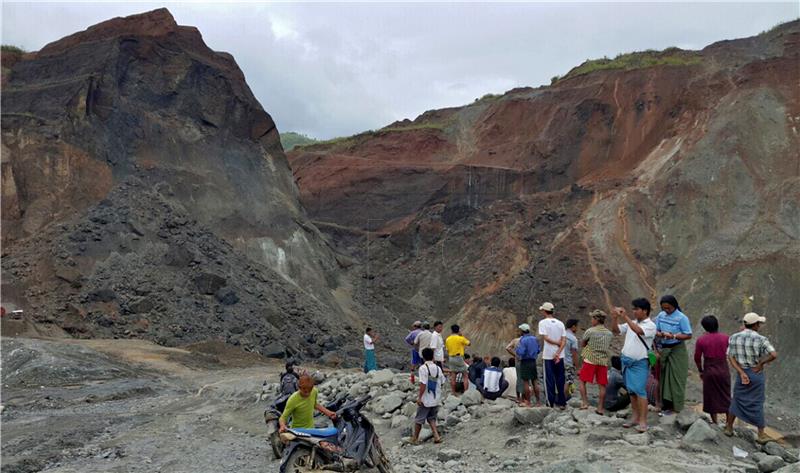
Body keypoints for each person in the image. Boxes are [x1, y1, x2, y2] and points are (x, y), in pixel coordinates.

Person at [724, 312, 778, 444]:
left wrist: (741, 372)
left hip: (742, 373)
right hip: (756, 373)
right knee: (757, 402)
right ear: (756, 325)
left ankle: (729, 427)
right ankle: (761, 434)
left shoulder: (734, 337)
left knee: (737, 399)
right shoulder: (761, 339)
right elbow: (773, 354)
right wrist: (761, 363)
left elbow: (730, 357)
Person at [611, 298, 657, 433]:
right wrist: (614, 318)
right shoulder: (632, 322)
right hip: (626, 361)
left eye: (636, 309)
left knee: (640, 391)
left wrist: (624, 316)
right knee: (631, 391)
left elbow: (638, 331)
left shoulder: (650, 325)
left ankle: (643, 420)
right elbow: (616, 331)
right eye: (633, 309)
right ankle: (635, 417)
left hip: (639, 363)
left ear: (645, 311)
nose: (634, 312)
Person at [654, 295, 692, 415]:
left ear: (674, 306)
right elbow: (656, 330)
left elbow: (688, 335)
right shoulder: (661, 316)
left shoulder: (682, 318)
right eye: (664, 308)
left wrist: (673, 336)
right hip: (664, 348)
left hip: (677, 349)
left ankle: (676, 407)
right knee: (664, 378)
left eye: (669, 308)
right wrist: (660, 335)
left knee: (676, 379)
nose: (666, 310)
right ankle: (665, 405)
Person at [694, 315, 731, 424]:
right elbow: (731, 353)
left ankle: (715, 422)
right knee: (726, 396)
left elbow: (697, 358)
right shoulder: (726, 338)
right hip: (723, 368)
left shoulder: (701, 340)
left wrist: (700, 371)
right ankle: (728, 424)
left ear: (704, 327)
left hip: (709, 370)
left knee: (711, 397)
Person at [578, 310, 613, 414]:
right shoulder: (609, 333)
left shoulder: (590, 331)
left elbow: (583, 344)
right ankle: (600, 408)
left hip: (590, 360)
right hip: (603, 362)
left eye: (592, 318)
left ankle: (585, 402)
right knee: (602, 385)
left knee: (582, 381)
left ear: (596, 320)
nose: (591, 320)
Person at [538, 302, 567, 409]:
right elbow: (564, 340)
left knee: (549, 379)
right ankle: (562, 402)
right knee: (560, 379)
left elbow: (546, 338)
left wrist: (555, 344)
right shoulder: (560, 323)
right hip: (560, 355)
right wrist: (558, 352)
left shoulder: (543, 323)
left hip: (548, 355)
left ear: (544, 311)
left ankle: (550, 403)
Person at [411, 348, 443, 444]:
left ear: (423, 357)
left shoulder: (423, 368)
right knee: (431, 418)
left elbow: (423, 384)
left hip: (426, 399)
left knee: (419, 419)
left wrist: (420, 397)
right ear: (433, 356)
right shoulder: (438, 368)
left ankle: (415, 438)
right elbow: (442, 382)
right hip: (436, 397)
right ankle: (436, 436)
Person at [515, 323, 542, 407]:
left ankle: (528, 402)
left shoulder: (522, 340)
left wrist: (517, 349)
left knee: (526, 382)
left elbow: (521, 352)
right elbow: (538, 350)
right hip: (533, 361)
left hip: (525, 362)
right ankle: (538, 402)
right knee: (535, 381)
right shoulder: (534, 339)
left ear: (522, 331)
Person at [445, 325, 471, 394]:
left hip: (451, 358)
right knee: (465, 375)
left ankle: (453, 392)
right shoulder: (460, 338)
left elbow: (447, 350)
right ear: (458, 330)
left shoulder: (448, 339)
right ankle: (466, 392)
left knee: (453, 375)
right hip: (459, 357)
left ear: (451, 330)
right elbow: (469, 343)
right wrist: (461, 336)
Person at [505, 329, 524, 401]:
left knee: (519, 378)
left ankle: (518, 397)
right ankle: (525, 398)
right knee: (526, 380)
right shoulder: (529, 340)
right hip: (527, 361)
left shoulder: (515, 340)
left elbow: (508, 348)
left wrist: (515, 355)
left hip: (518, 361)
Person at [564, 319, 581, 398]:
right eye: (577, 327)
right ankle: (563, 401)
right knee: (568, 382)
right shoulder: (573, 339)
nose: (577, 329)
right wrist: (578, 368)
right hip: (568, 363)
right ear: (573, 327)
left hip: (559, 361)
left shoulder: (561, 335)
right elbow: (574, 354)